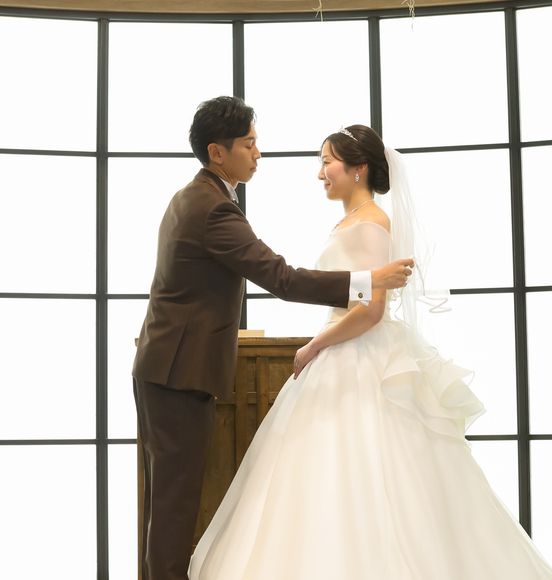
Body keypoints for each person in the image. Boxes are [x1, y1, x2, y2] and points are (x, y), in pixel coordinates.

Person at [188, 124, 552, 580]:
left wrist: (314, 345)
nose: (320, 173)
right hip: (344, 353)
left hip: (359, 357)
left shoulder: (370, 223)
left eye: (327, 162)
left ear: (358, 168)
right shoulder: (352, 221)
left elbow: (371, 310)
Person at [132, 99, 414, 580]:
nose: (258, 153)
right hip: (178, 372)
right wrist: (369, 280)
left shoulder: (199, 197)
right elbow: (280, 278)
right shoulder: (212, 208)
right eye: (249, 144)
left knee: (168, 503)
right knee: (174, 507)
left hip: (168, 367)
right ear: (218, 152)